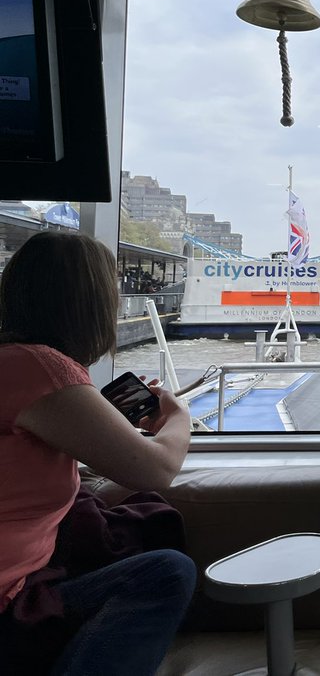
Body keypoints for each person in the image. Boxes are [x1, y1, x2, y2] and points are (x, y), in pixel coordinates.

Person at [0, 231, 194, 675]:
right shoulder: (43, 368)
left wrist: (103, 428)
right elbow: (157, 470)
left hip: (19, 588)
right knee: (166, 573)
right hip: (8, 603)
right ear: (92, 303)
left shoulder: (14, 362)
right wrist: (177, 415)